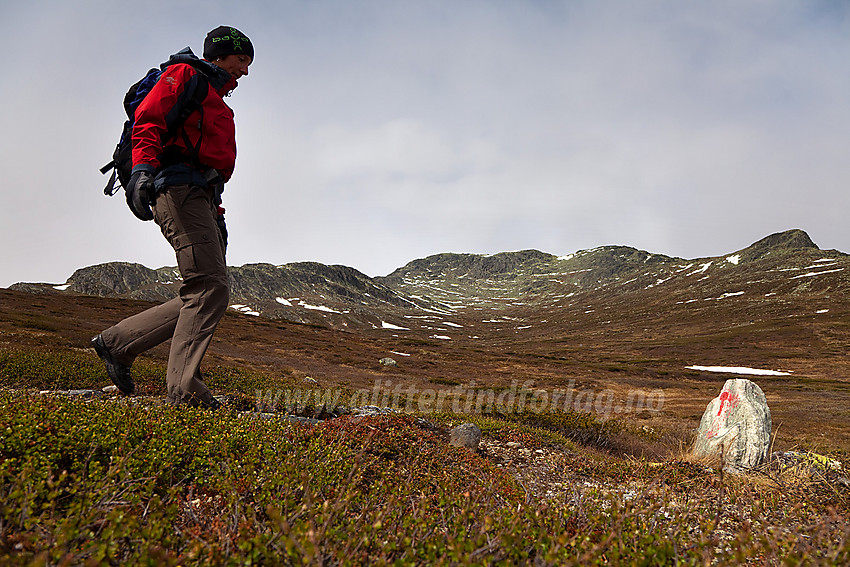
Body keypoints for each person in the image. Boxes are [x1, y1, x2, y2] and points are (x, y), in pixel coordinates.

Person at [92, 26, 253, 409]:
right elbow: (149, 120)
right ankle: (185, 393)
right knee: (208, 288)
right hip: (177, 189)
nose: (245, 71)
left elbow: (209, 166)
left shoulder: (212, 95)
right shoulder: (186, 76)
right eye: (242, 60)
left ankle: (117, 344)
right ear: (220, 55)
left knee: (208, 289)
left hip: (200, 196)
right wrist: (142, 171)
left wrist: (216, 215)